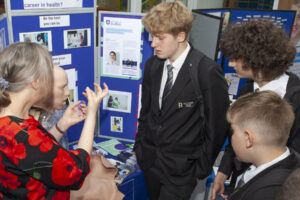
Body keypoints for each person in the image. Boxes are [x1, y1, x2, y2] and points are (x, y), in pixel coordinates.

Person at [133, 1, 230, 200]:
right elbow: (146, 113)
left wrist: (200, 170)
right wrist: (140, 150)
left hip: (182, 172)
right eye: (152, 36)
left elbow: (217, 128)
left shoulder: (206, 72)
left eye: (160, 38)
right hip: (151, 163)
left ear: (181, 36)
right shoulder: (152, 65)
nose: (153, 43)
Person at [0, 42, 109, 199]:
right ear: (36, 82)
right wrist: (92, 114)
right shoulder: (20, 135)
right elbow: (77, 171)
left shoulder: (13, 120)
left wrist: (61, 125)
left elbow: (36, 153)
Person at [211, 20, 300, 200]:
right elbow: (236, 134)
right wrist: (224, 171)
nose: (230, 64)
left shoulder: (295, 97)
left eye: (236, 58)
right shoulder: (249, 88)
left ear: (256, 59)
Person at [225, 91, 300, 200]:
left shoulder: (268, 193)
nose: (231, 136)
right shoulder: (290, 162)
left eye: (233, 131)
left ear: (248, 138)